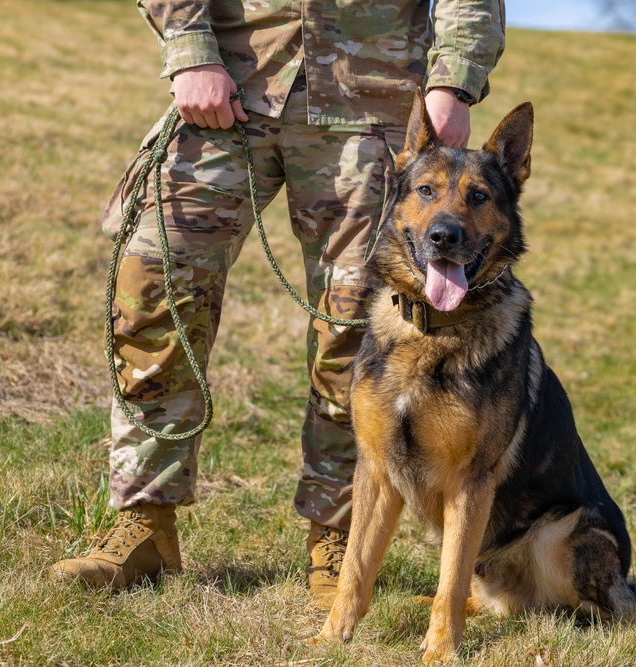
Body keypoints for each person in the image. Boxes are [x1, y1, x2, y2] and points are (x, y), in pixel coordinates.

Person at [52, 0, 506, 608]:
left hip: (375, 101)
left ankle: (339, 537)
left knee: (358, 321)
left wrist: (455, 77)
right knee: (154, 285)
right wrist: (190, 52)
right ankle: (146, 523)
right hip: (231, 84)